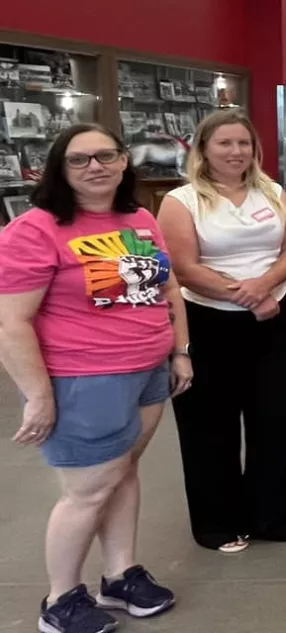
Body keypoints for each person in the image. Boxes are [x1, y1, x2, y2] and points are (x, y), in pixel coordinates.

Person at [0, 123, 187, 633]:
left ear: (125, 161)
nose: (95, 167)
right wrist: (38, 394)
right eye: (79, 160)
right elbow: (10, 321)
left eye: (105, 156)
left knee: (122, 473)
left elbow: (166, 289)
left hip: (148, 369)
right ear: (60, 169)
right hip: (85, 378)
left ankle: (119, 575)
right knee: (86, 490)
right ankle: (60, 600)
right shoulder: (35, 229)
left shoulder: (141, 217)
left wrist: (180, 353)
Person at [157, 110, 286, 552]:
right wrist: (246, 294)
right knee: (210, 427)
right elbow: (182, 266)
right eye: (224, 143)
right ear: (203, 149)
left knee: (274, 421)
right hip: (208, 320)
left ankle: (273, 516)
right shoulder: (182, 200)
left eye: (243, 143)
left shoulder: (272, 191)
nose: (236, 152)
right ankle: (217, 523)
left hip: (271, 318)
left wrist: (265, 288)